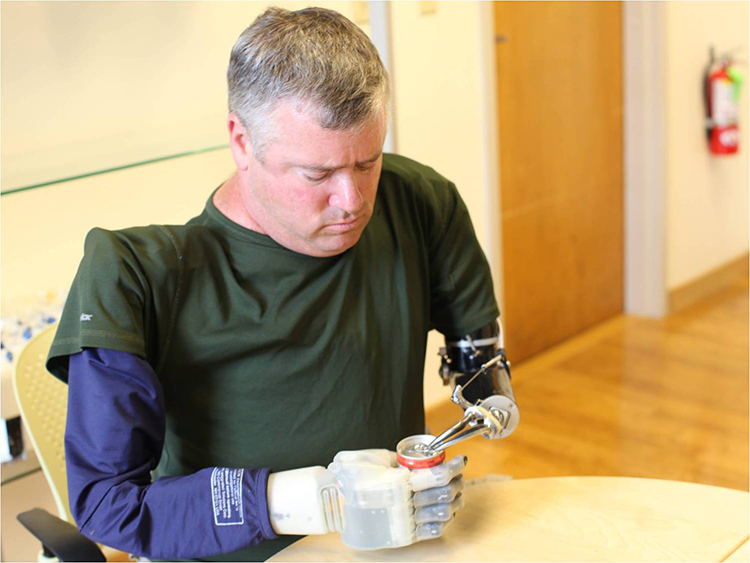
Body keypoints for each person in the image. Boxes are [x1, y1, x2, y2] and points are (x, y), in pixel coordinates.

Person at [46, 6, 512, 561]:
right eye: (317, 174)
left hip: (392, 547)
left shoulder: (418, 201)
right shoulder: (135, 275)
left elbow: (480, 366)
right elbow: (108, 505)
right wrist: (306, 500)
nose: (353, 201)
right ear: (241, 141)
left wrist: (474, 420)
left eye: (366, 162)